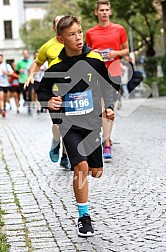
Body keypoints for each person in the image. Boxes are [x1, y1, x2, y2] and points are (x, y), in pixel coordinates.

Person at [37, 15, 115, 237]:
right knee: (80, 167)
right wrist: (48, 101)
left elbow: (108, 86)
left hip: (91, 125)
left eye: (80, 32)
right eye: (72, 34)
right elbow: (41, 92)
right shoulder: (56, 67)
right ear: (61, 40)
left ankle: (91, 168)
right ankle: (84, 217)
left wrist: (109, 106)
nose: (78, 38)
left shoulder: (94, 61)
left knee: (95, 171)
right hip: (69, 125)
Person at [24, 16, 70, 170]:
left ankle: (65, 156)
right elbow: (37, 63)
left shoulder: (73, 41)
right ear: (54, 27)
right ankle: (56, 141)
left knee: (69, 126)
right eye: (58, 23)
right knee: (58, 124)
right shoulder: (47, 46)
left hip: (71, 89)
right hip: (54, 90)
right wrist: (31, 75)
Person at [86, 0, 129, 159]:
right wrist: (94, 52)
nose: (104, 12)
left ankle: (107, 141)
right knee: (101, 108)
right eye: (101, 10)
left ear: (110, 12)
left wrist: (115, 54)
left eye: (106, 10)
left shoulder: (119, 29)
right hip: (97, 73)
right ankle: (106, 140)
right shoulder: (90, 33)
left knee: (109, 108)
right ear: (96, 12)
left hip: (114, 72)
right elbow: (87, 53)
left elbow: (126, 51)